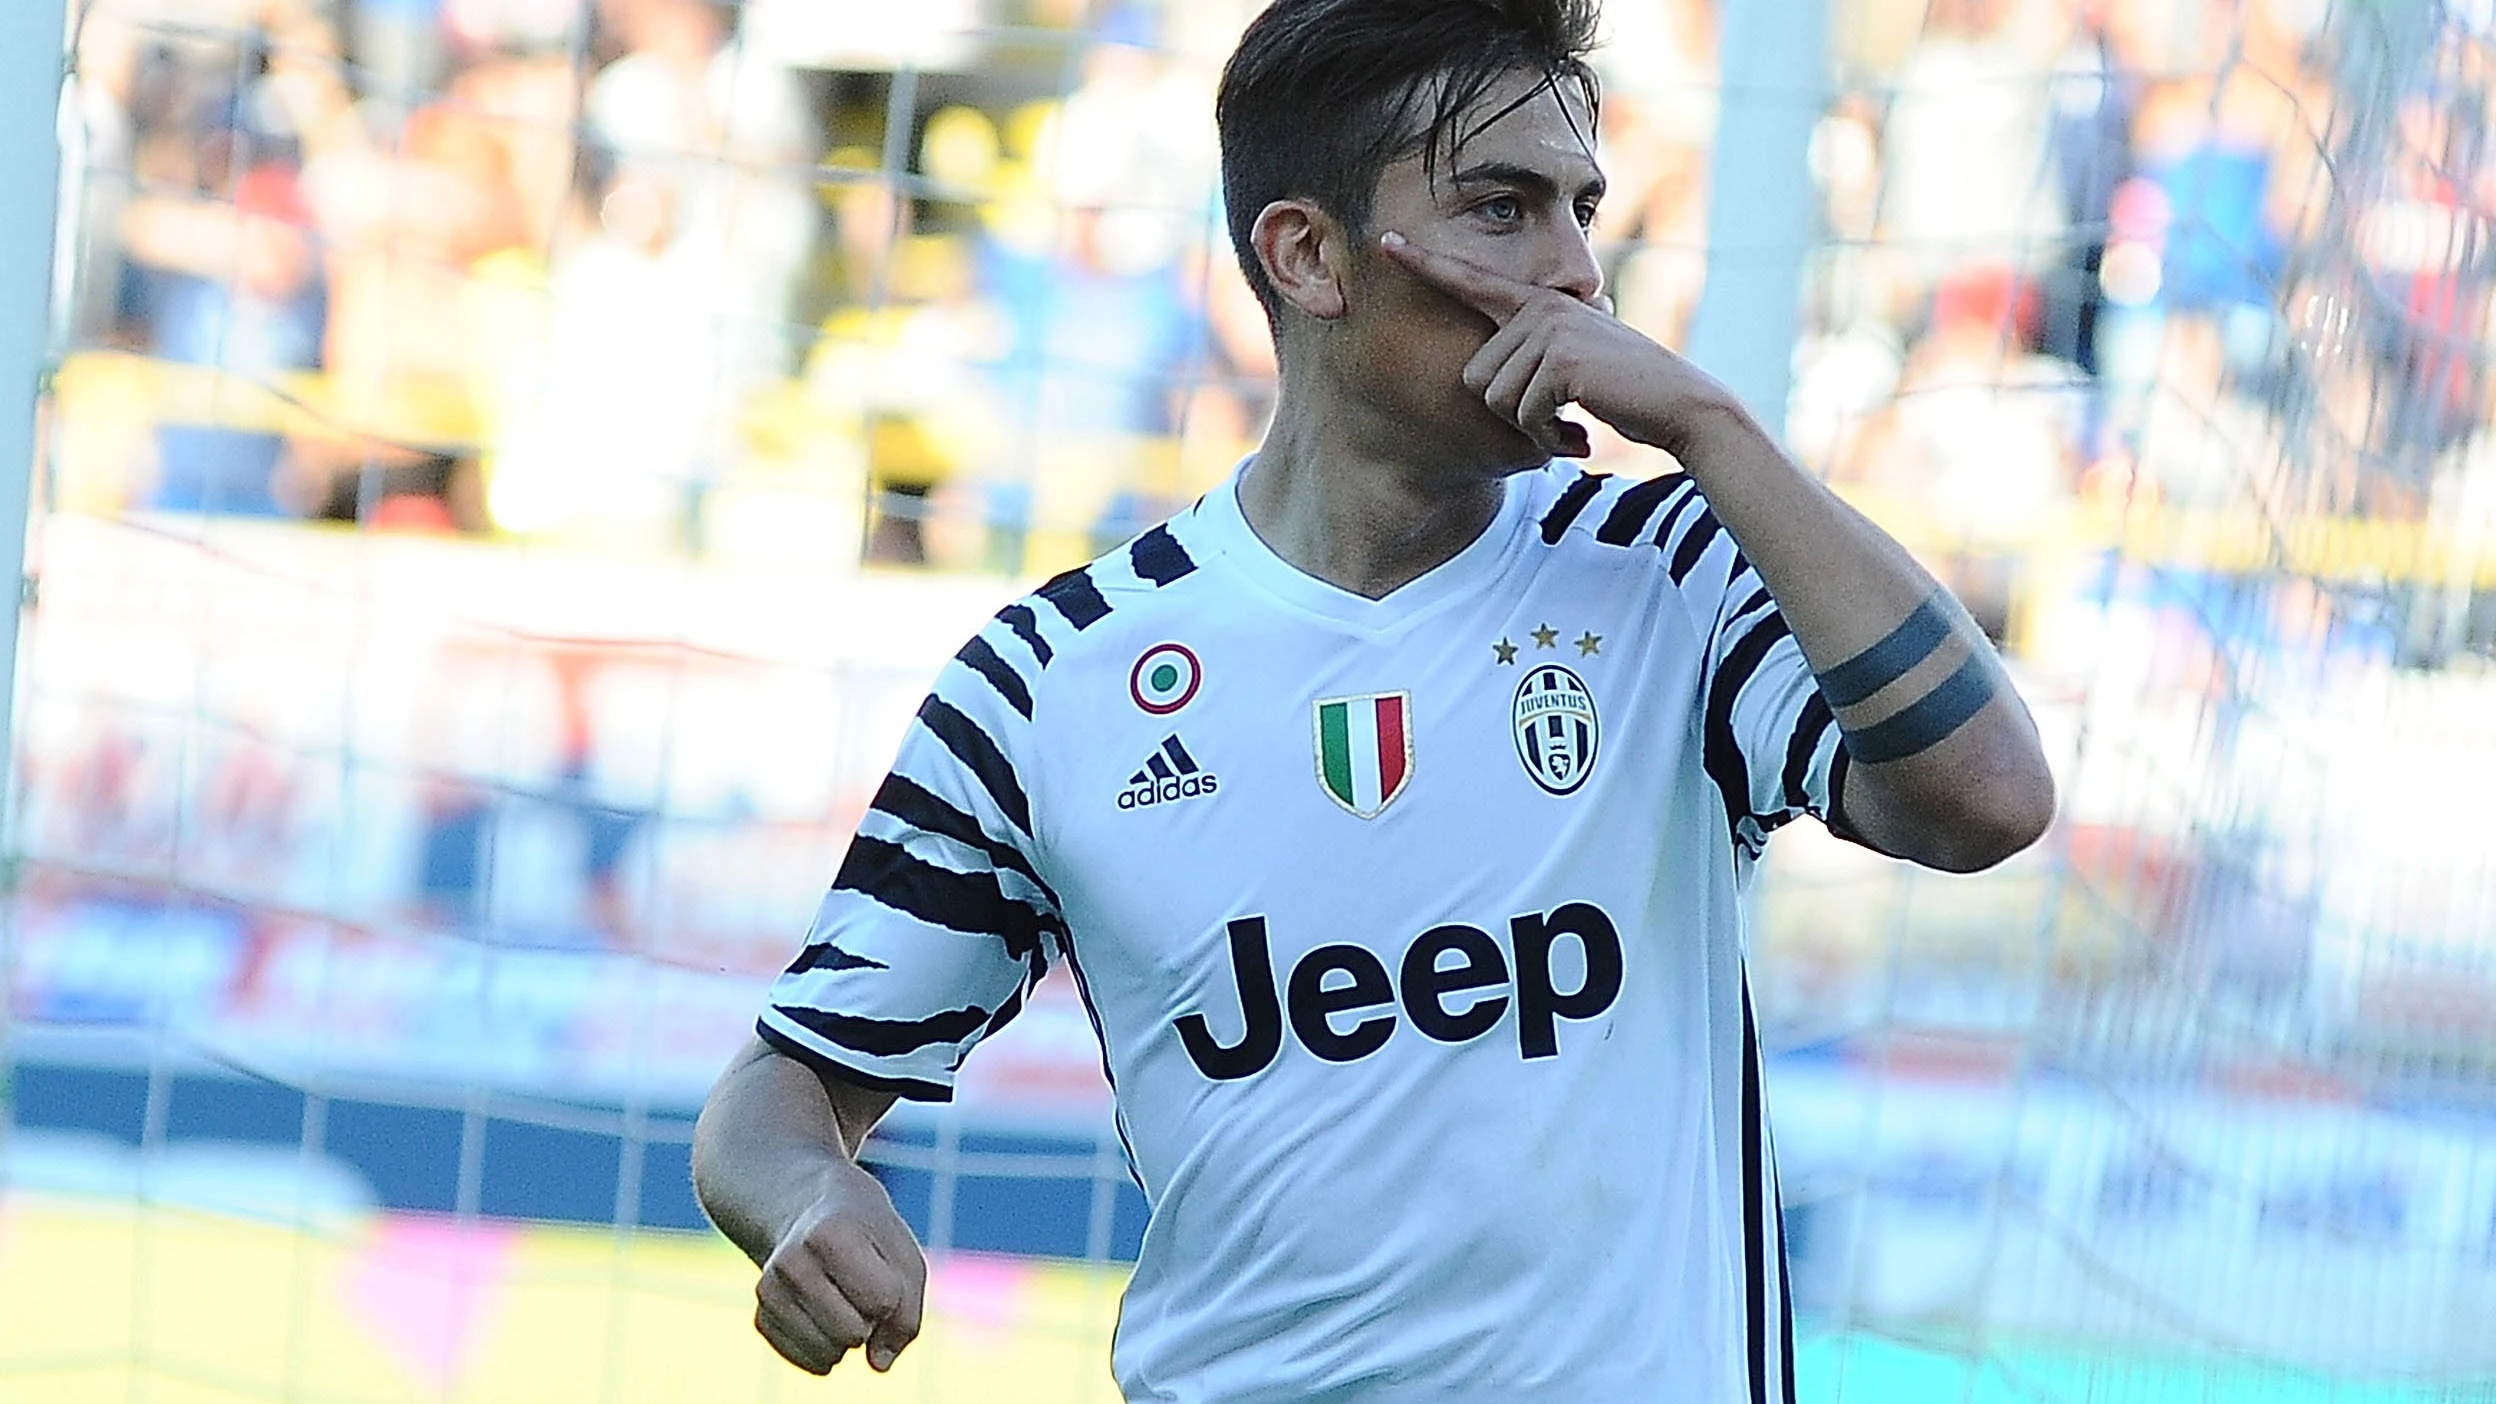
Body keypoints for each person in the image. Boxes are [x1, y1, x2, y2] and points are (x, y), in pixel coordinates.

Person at [691, 1, 2057, 1400]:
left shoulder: (1676, 576)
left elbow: (1988, 802)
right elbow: (779, 1091)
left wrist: (1717, 431)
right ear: (1306, 255)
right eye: (1502, 210)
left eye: (1582, 210)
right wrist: (805, 1197)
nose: (1578, 272)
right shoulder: (1055, 679)